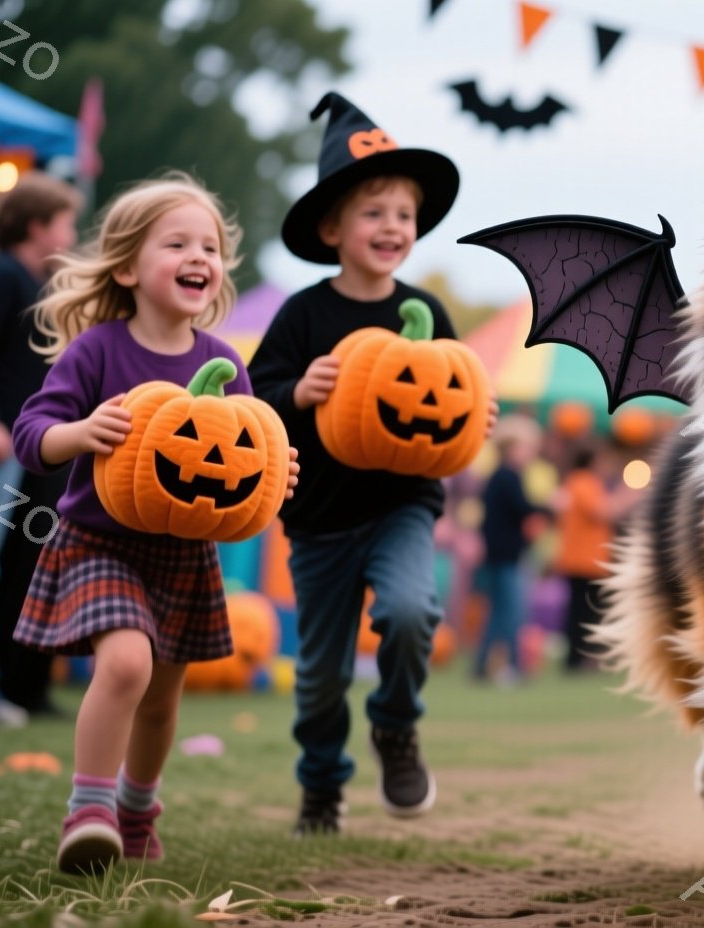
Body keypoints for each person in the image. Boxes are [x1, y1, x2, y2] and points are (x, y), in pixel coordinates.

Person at [10, 174, 297, 874]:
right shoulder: (98, 351)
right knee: (127, 664)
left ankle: (138, 811)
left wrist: (274, 478)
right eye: (177, 243)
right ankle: (90, 807)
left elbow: (239, 458)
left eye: (211, 245)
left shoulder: (224, 363)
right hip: (99, 543)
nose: (199, 256)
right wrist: (79, 432)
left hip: (184, 552)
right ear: (128, 266)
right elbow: (31, 433)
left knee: (164, 700)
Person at [249, 92, 488, 836]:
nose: (392, 227)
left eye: (403, 215)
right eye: (373, 212)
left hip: (402, 508)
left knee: (414, 612)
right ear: (332, 228)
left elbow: (453, 404)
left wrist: (478, 419)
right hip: (317, 522)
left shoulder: (428, 316)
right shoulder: (302, 315)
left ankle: (395, 725)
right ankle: (321, 786)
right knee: (319, 678)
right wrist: (298, 390)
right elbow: (255, 402)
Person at [0, 173, 84, 722]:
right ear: (37, 225)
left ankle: (21, 685)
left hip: (24, 448)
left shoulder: (37, 282)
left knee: (12, 562)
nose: (70, 232)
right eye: (64, 222)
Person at [474, 415, 548, 685]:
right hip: (506, 557)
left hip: (499, 556)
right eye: (526, 448)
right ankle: (514, 665)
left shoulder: (498, 476)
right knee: (513, 612)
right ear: (511, 448)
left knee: (497, 613)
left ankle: (481, 666)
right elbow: (523, 508)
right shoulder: (508, 477)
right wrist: (550, 506)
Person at [551, 444, 628, 672]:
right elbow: (603, 512)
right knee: (584, 613)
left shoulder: (578, 482)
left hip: (583, 559)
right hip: (584, 560)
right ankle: (578, 659)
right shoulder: (584, 482)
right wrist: (629, 494)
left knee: (583, 611)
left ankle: (582, 658)